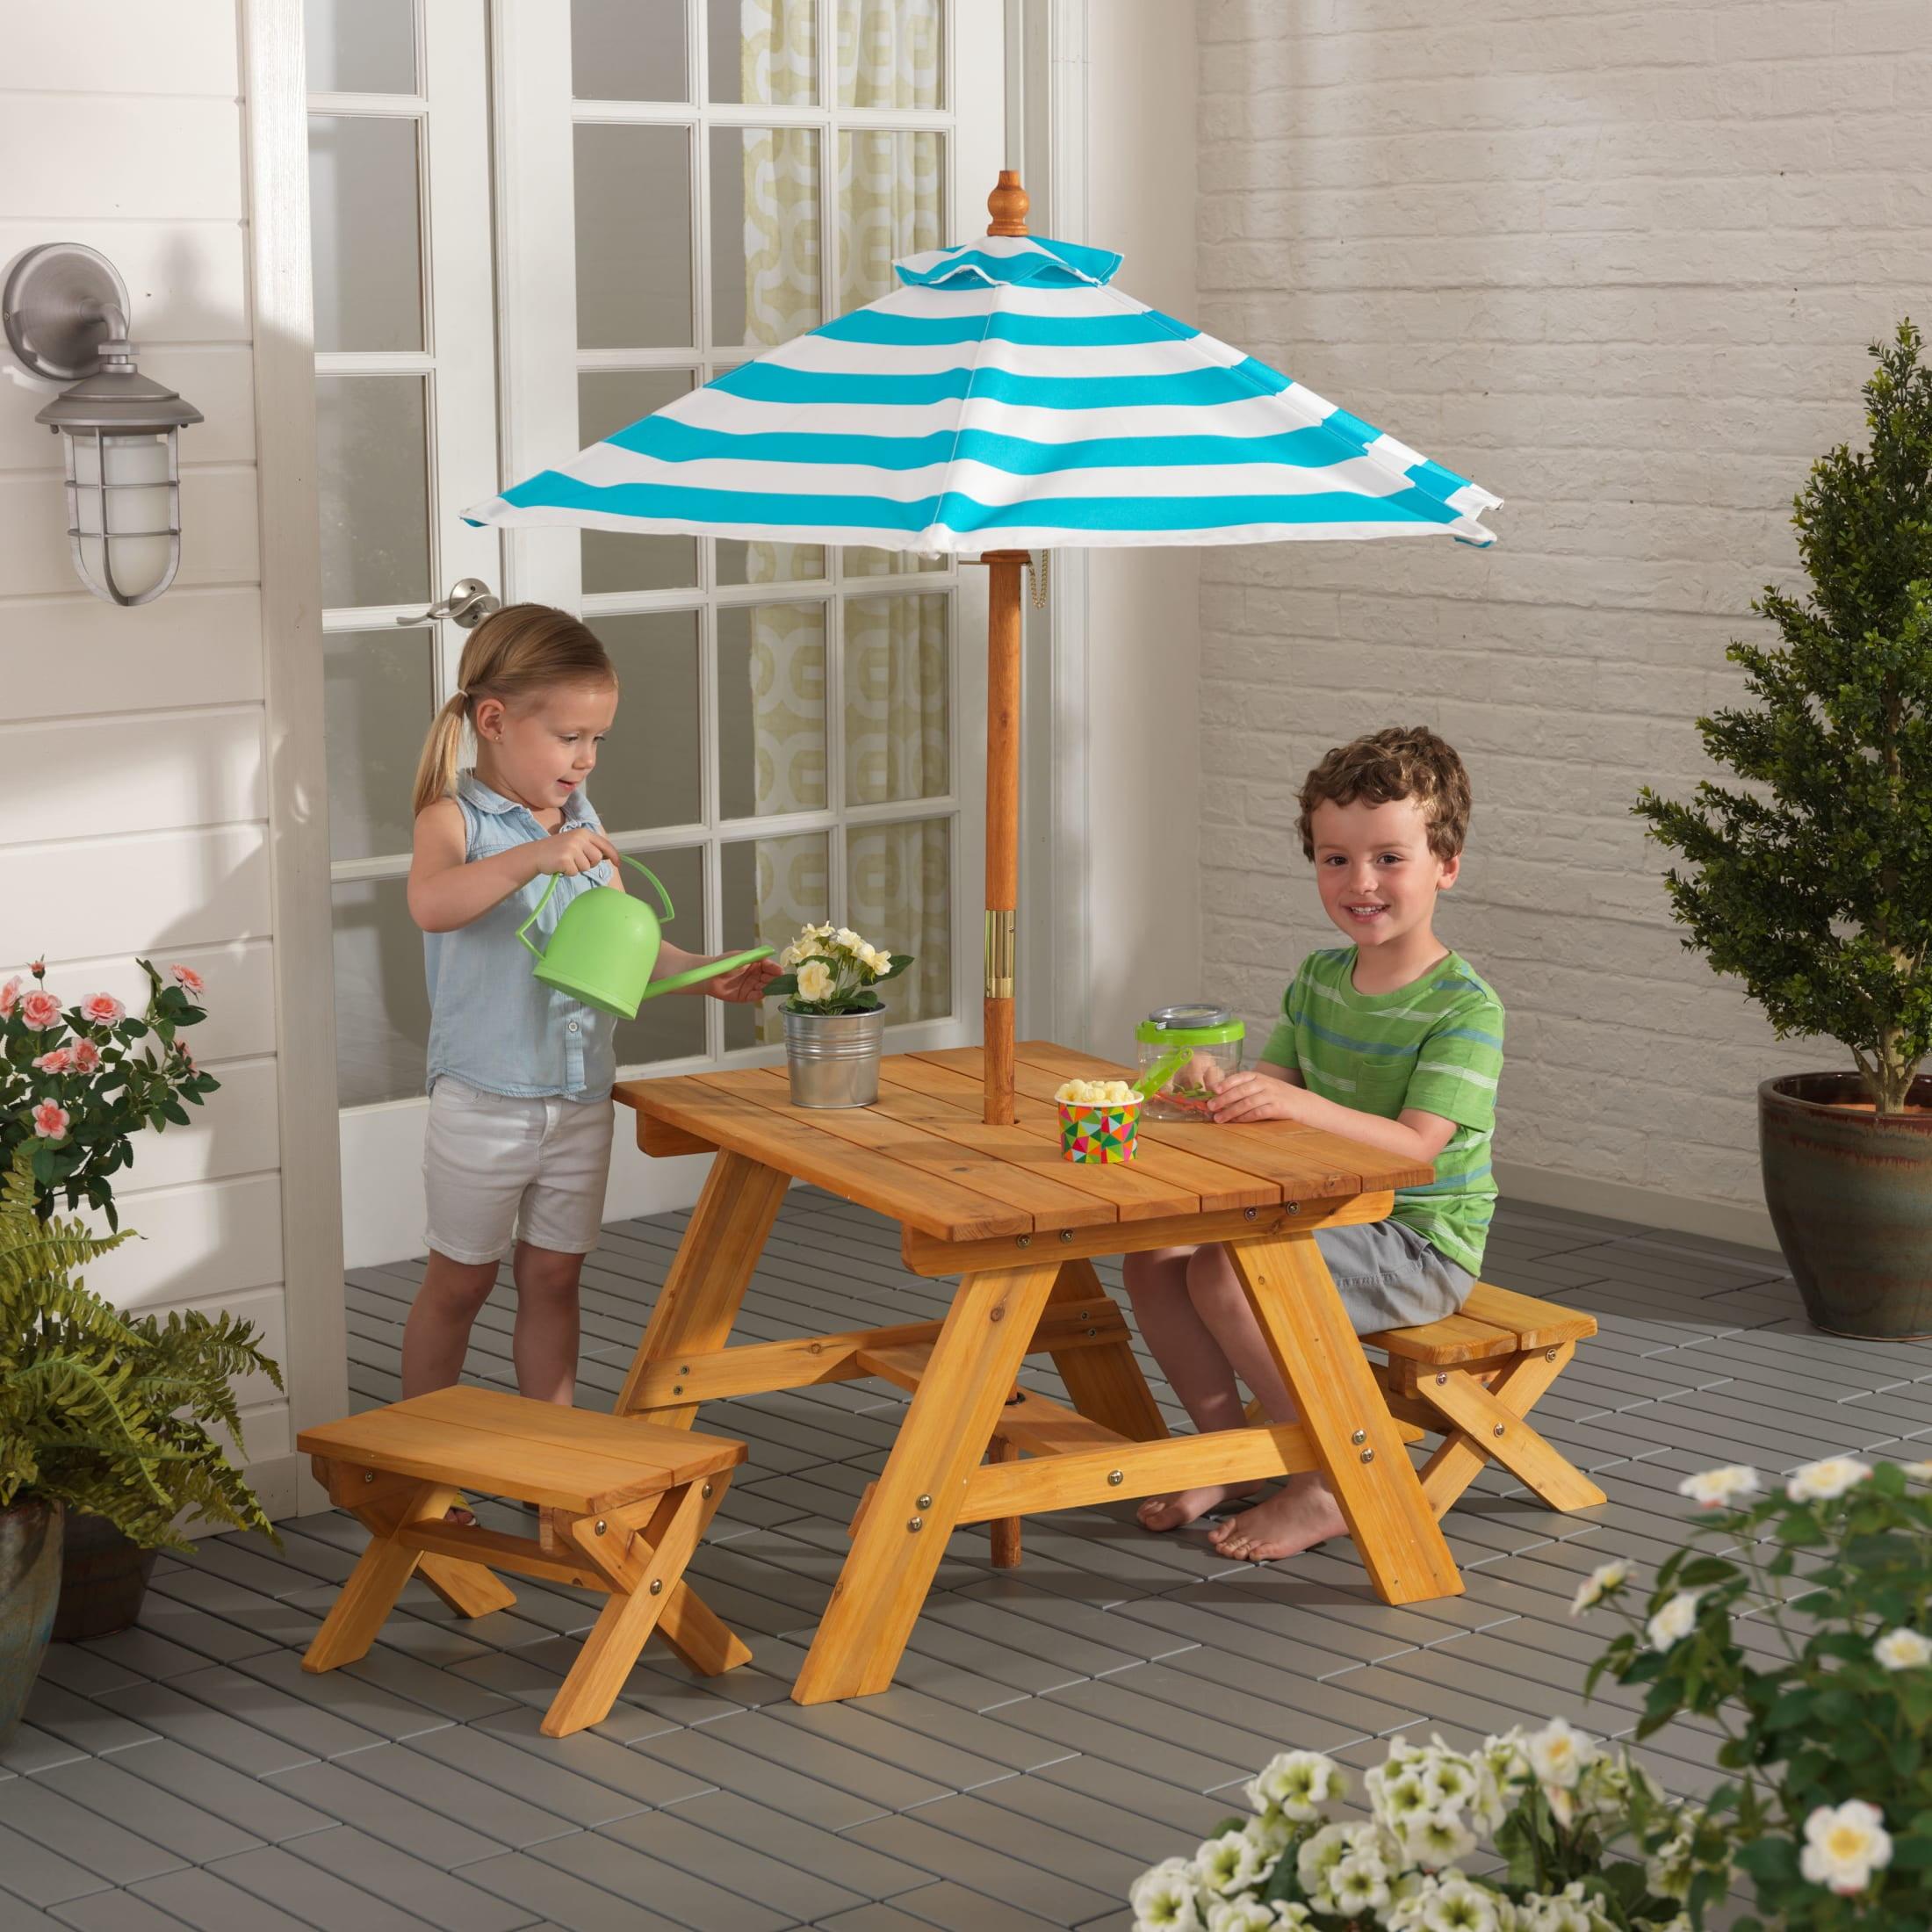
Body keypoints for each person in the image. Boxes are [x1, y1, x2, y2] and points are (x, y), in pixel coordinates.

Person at [1125, 725, 1503, 1561]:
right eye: (1335, 859)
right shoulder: (1317, 979)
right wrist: (1217, 1096)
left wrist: (1294, 1105)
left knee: (1223, 1270)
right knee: (1156, 1256)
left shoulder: (1465, 1008)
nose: (1360, 882)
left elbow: (1417, 1151)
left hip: (1418, 1243)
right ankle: (1229, 1452)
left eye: (1388, 859)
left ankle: (1330, 1472)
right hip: (1318, 1213)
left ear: (1447, 863)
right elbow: (1275, 1110)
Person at [401, 603, 777, 1443]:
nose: (586, 758)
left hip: (577, 1100)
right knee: (459, 1286)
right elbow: (433, 905)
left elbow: (623, 947)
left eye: (597, 739)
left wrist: (709, 977)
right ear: (494, 722)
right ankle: (421, 1465)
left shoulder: (584, 822)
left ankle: (553, 1457)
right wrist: (532, 855)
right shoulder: (453, 821)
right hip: (484, 1103)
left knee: (555, 1281)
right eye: (570, 736)